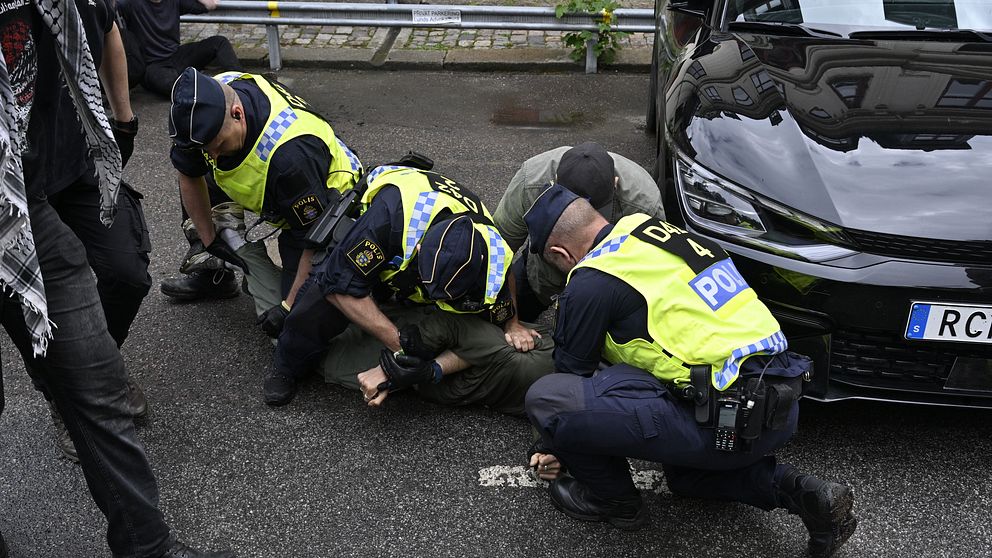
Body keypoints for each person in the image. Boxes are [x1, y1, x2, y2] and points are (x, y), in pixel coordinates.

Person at [0, 0, 233, 556]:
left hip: (28, 194)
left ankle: (147, 548)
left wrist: (122, 119)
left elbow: (103, 34)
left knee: (97, 378)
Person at [521, 185, 857, 557]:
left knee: (549, 400)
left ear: (559, 253)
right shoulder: (647, 230)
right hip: (780, 403)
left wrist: (553, 447)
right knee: (684, 474)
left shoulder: (591, 280)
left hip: (729, 420)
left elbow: (570, 377)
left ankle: (612, 503)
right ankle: (806, 493)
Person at [266, 165, 539, 407]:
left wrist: (512, 323)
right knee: (317, 304)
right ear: (420, 248)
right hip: (376, 231)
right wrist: (401, 346)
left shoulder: (490, 250)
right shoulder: (388, 221)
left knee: (472, 325)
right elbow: (340, 289)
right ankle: (287, 365)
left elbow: (504, 277)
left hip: (428, 252)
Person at [27, 0, 150, 463]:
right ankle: (67, 397)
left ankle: (99, 370)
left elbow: (110, 30)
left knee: (127, 273)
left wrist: (124, 117)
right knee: (44, 303)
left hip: (82, 164)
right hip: (25, 183)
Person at [164, 67, 363, 324]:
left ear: (238, 114)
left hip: (323, 207)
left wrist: (288, 307)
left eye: (220, 145)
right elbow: (189, 172)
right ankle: (214, 275)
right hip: (275, 182)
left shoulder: (289, 157)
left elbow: (313, 241)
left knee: (300, 320)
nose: (213, 156)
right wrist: (210, 240)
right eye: (207, 149)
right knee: (207, 176)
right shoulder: (202, 110)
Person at [494, 142, 664, 322]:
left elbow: (654, 278)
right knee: (498, 320)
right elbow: (496, 250)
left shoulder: (645, 205)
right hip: (544, 273)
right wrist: (510, 322)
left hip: (610, 280)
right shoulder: (531, 180)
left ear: (615, 183)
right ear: (555, 180)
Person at [116, 0, 242, 99]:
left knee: (219, 42)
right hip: (153, 66)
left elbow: (210, 4)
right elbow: (110, 11)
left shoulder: (174, 1)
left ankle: (243, 83)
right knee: (175, 87)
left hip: (176, 55)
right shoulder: (131, 3)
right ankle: (212, 89)